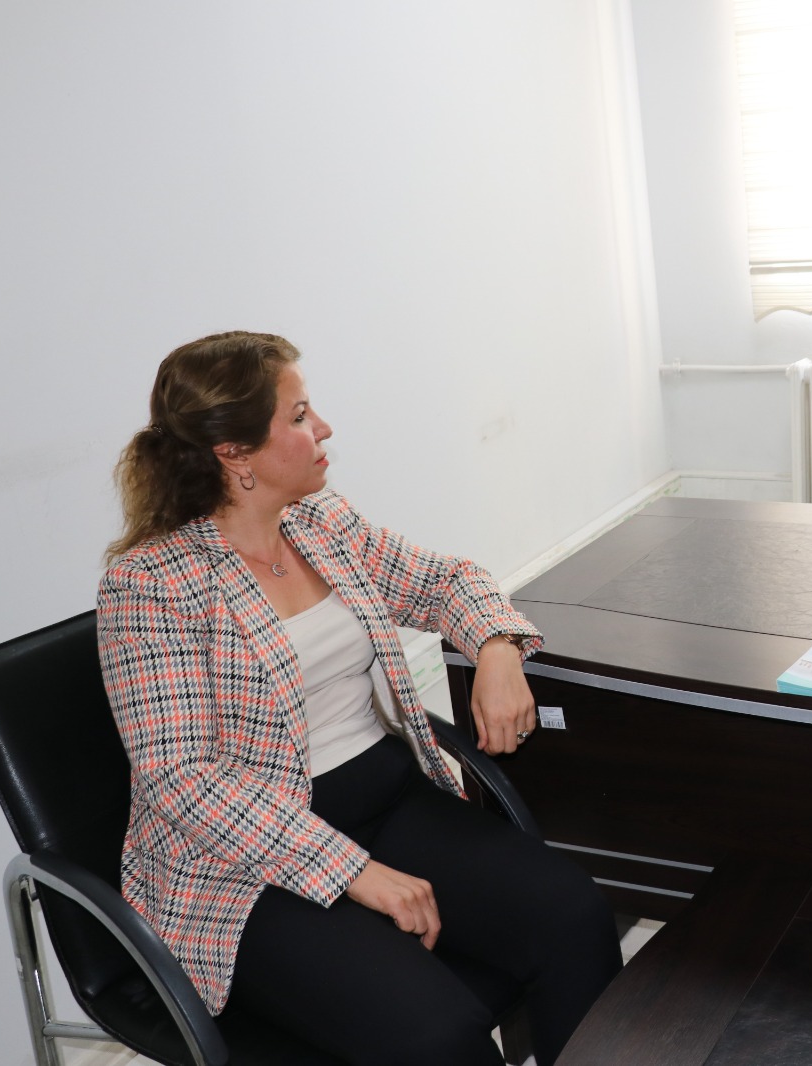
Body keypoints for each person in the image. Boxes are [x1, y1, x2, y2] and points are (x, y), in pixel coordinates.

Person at [97, 331, 621, 1065]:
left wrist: (498, 649)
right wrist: (353, 872)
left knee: (573, 916)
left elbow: (446, 580)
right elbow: (183, 779)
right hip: (242, 865)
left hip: (384, 799)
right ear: (235, 453)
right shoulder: (152, 584)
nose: (324, 428)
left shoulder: (321, 523)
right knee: (437, 1035)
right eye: (299, 415)